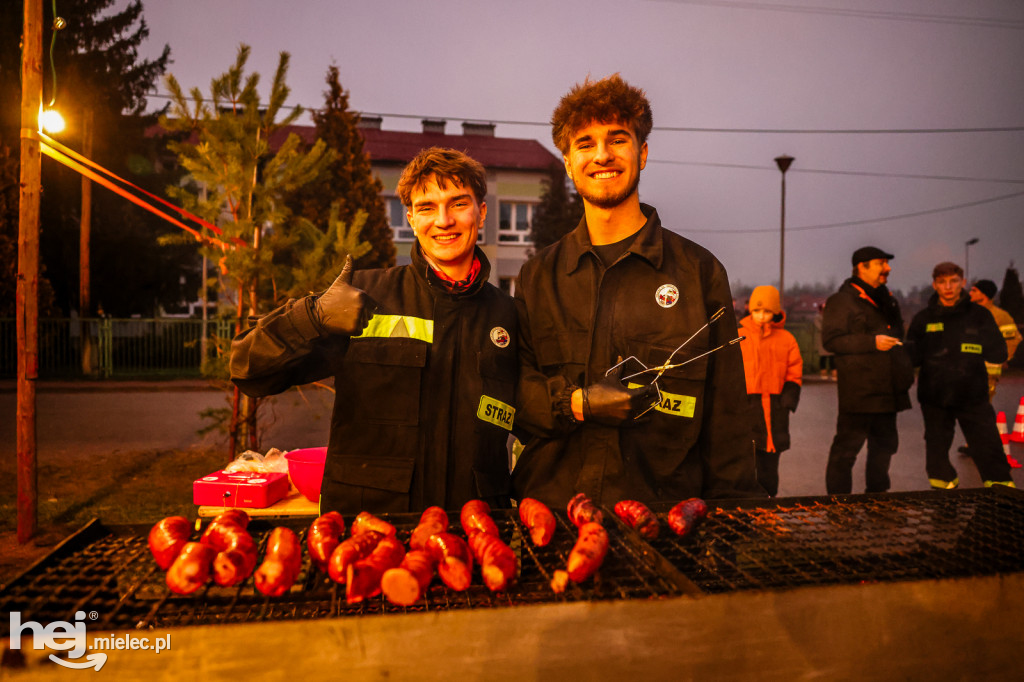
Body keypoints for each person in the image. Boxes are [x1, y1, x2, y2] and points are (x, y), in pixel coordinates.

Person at [511, 74, 762, 507]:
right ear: (568, 163)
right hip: (554, 523)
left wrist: (735, 517)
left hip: (663, 523)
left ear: (642, 153)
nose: (602, 155)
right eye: (585, 143)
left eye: (617, 139)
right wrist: (577, 403)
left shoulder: (699, 274)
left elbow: (728, 422)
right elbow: (514, 392)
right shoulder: (537, 277)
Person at [230, 147, 517, 514]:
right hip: (370, 527)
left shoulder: (508, 315)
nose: (443, 220)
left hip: (474, 529)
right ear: (411, 218)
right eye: (427, 208)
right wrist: (312, 317)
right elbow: (248, 370)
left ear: (482, 212)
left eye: (458, 204)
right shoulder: (361, 297)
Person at [905, 263, 1014, 489]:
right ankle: (943, 492)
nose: (948, 287)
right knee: (936, 450)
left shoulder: (979, 316)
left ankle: (1001, 493)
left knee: (988, 446)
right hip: (934, 398)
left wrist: (983, 344)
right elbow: (911, 358)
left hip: (973, 396)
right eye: (942, 282)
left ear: (962, 283)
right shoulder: (923, 319)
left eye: (953, 281)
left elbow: (999, 353)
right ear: (935, 285)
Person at [821, 246, 914, 494]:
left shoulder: (888, 300)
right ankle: (839, 504)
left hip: (889, 391)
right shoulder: (842, 301)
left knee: (884, 448)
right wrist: (872, 342)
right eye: (881, 263)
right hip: (860, 393)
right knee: (846, 451)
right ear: (862, 267)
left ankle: (877, 498)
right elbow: (831, 341)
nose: (887, 268)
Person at [738, 286, 803, 497]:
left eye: (767, 311)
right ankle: (746, 502)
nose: (761, 316)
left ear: (775, 312)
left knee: (769, 462)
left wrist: (788, 399)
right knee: (745, 458)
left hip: (775, 407)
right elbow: (730, 370)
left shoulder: (786, 339)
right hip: (747, 406)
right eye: (757, 311)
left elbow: (794, 371)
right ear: (750, 310)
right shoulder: (739, 336)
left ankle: (768, 500)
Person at [968, 279, 1022, 399]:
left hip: (988, 374)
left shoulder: (1000, 316)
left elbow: (1012, 340)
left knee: (980, 405)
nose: (970, 293)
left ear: (984, 294)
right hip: (965, 372)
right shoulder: (968, 314)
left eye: (974, 291)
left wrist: (1004, 359)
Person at [814, 303, 836, 380]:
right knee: (823, 357)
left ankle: (834, 373)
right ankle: (823, 373)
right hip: (822, 339)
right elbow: (820, 327)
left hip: (830, 338)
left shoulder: (831, 317)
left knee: (832, 357)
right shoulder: (818, 317)